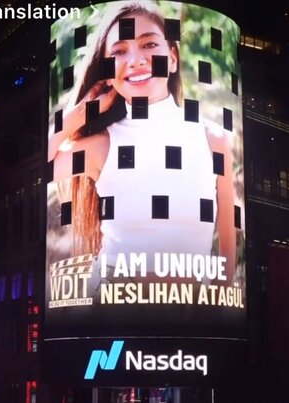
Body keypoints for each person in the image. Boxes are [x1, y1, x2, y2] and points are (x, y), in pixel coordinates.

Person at [48, 1, 236, 281]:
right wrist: (81, 113)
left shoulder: (213, 140)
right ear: (109, 74)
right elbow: (39, 169)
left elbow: (228, 237)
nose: (135, 60)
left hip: (191, 309)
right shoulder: (103, 146)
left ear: (172, 58)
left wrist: (219, 299)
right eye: (120, 51)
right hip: (112, 308)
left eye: (148, 45)